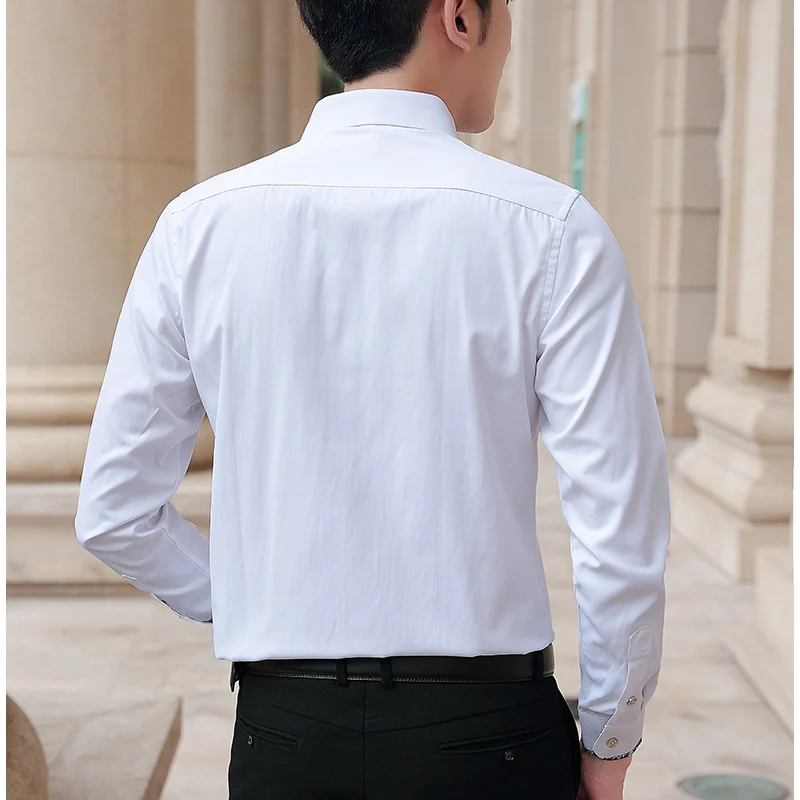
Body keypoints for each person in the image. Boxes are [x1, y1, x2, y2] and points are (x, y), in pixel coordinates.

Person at [74, 0, 671, 797]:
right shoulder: (553, 230)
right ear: (460, 17)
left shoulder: (197, 229)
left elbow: (114, 511)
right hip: (488, 738)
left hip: (285, 734)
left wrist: (260, 601)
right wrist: (609, 738)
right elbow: (618, 525)